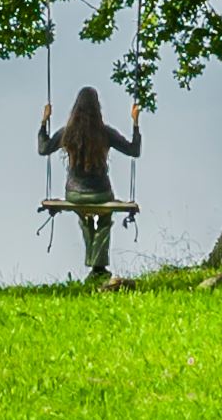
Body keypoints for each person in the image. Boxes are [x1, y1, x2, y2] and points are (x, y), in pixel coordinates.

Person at [37, 84, 144, 285]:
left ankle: (94, 266)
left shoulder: (67, 133)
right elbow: (133, 151)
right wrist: (135, 123)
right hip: (101, 193)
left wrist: (44, 121)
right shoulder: (105, 132)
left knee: (85, 218)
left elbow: (43, 149)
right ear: (98, 108)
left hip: (74, 193)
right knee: (104, 219)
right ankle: (99, 268)